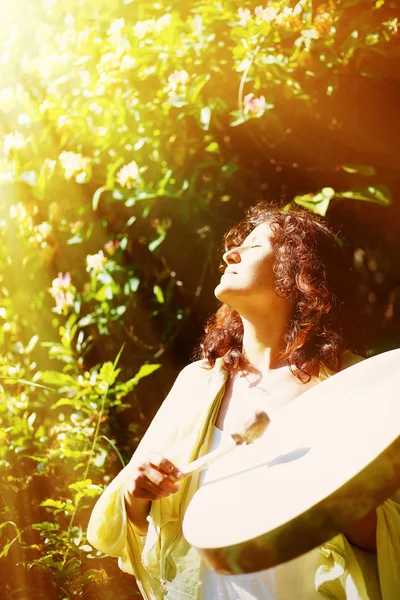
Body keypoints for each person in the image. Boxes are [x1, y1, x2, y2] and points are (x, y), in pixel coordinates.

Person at [87, 203, 400, 600]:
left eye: (253, 246)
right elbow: (126, 527)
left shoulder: (353, 384)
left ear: (297, 270)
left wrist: (339, 492)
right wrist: (136, 492)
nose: (229, 255)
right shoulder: (197, 384)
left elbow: (390, 537)